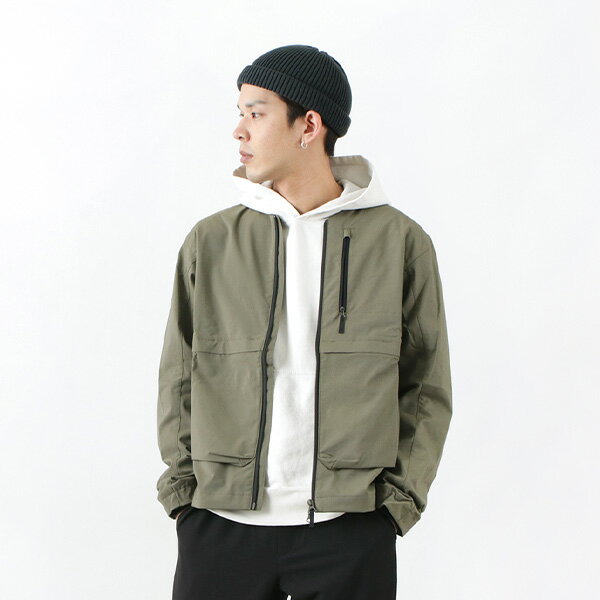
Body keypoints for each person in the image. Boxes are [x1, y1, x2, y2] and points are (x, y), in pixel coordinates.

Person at [156, 44, 453, 600]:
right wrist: (184, 497)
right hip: (220, 526)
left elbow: (425, 384)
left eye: (256, 113)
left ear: (309, 125)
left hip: (349, 529)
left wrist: (395, 506)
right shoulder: (212, 242)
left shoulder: (399, 242)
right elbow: (179, 375)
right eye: (240, 113)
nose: (239, 130)